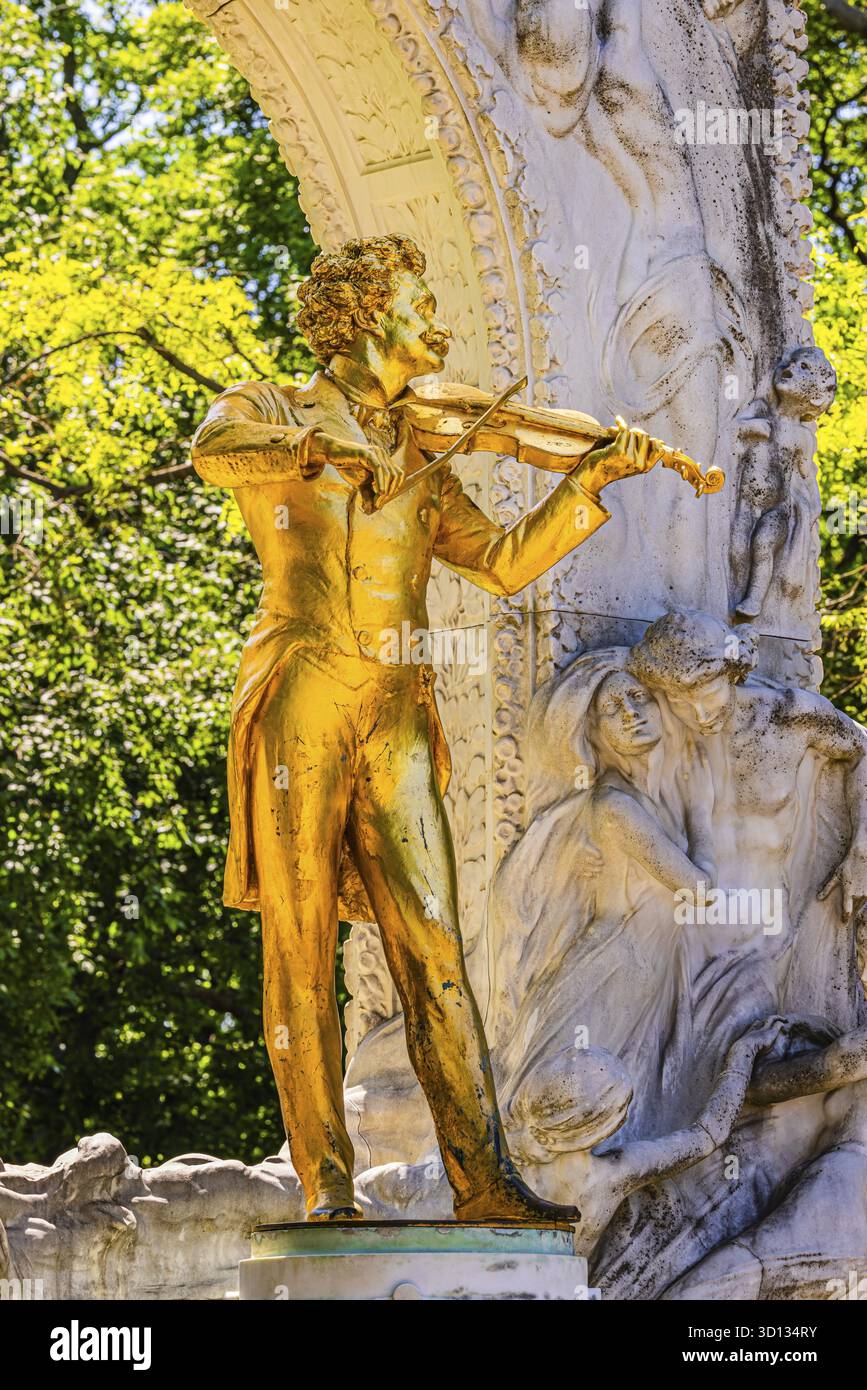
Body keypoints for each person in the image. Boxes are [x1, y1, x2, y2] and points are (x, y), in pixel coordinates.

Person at [191, 233, 670, 1222]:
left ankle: (483, 1183)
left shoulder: (421, 444)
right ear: (368, 314)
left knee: (436, 943)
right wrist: (314, 449)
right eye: (423, 304)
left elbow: (497, 560)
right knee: (300, 940)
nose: (441, 324)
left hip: (399, 709)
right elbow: (210, 451)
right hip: (300, 686)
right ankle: (326, 1184)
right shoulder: (274, 408)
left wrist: (583, 489)